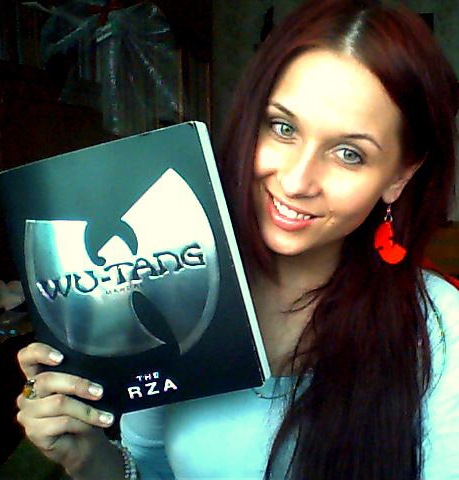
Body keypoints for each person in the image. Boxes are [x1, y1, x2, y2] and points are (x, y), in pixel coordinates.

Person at [16, 0, 459, 478]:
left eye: (349, 153)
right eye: (283, 128)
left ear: (398, 177)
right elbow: (149, 467)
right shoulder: (173, 276)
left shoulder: (439, 329)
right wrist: (86, 457)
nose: (296, 181)